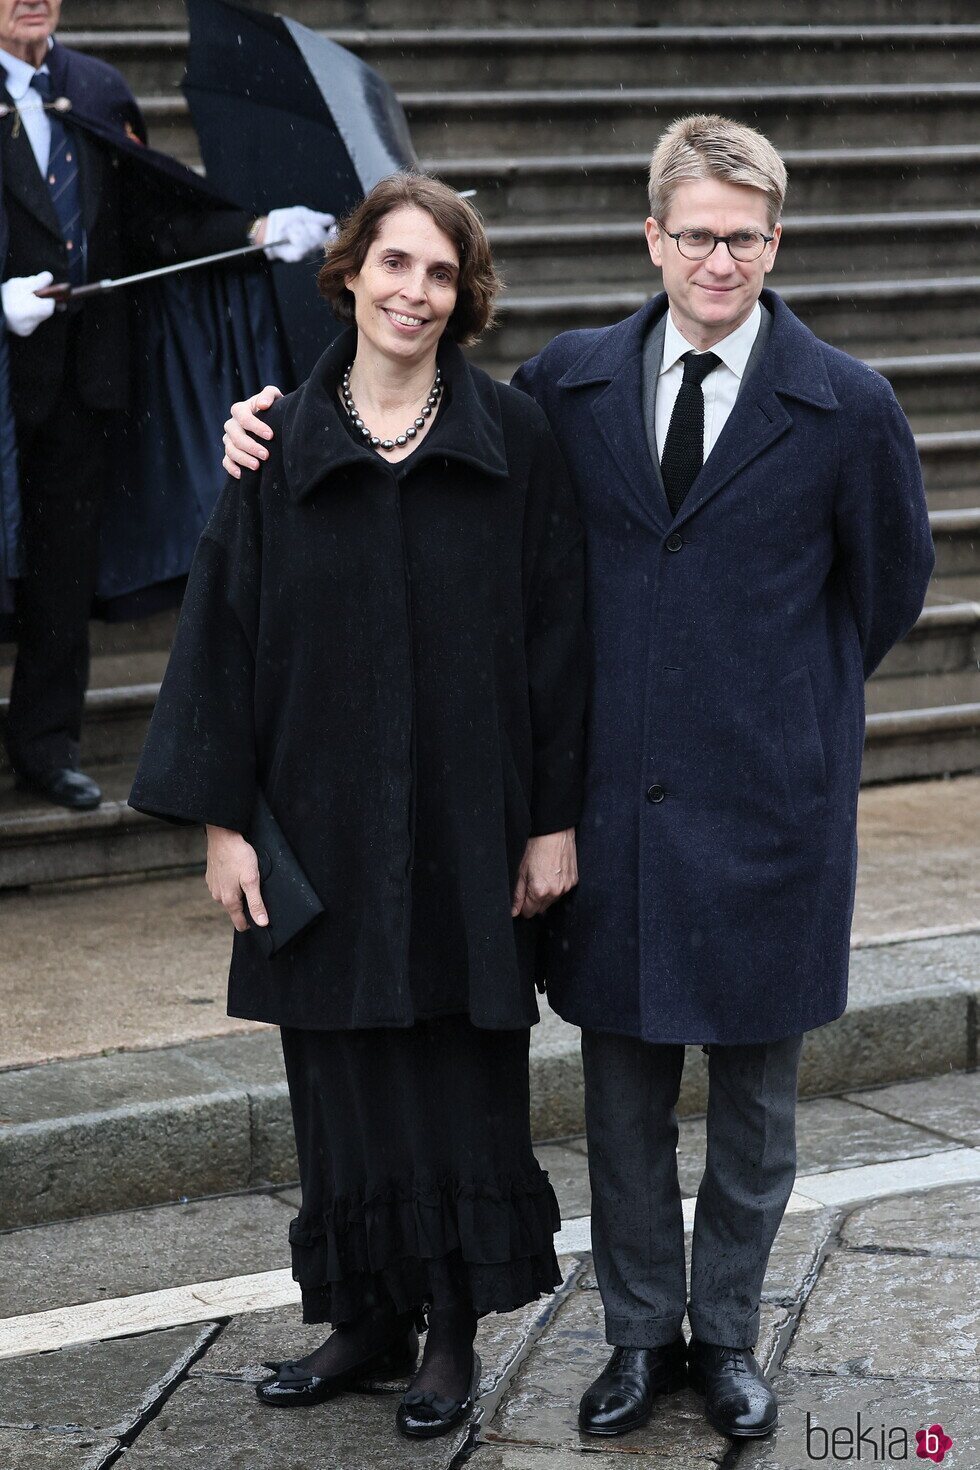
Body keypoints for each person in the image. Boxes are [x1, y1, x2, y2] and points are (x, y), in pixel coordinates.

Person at [222, 118, 935, 1443]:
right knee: (620, 1100)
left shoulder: (848, 406)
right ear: (652, 239)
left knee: (756, 1111)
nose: (718, 260)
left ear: (775, 244)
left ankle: (725, 1337)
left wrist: (780, 708)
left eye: (744, 236)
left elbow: (886, 587)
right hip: (613, 812)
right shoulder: (573, 383)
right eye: (695, 233)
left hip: (772, 814)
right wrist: (268, 423)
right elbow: (434, 440)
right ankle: (635, 1335)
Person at [130, 171, 588, 1441]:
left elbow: (558, 635)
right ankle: (366, 1318)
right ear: (347, 274)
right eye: (394, 264)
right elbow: (222, 633)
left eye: (440, 273)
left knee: (455, 1069)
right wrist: (223, 824)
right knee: (334, 1071)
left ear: (465, 295)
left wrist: (551, 819)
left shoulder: (514, 441)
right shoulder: (275, 445)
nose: (414, 292)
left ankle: (447, 1326)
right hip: (315, 816)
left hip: (464, 819)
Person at [0, 0, 334, 810]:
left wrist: (255, 230)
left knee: (60, 573)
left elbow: (154, 221)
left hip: (80, 382)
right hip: (4, 384)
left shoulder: (96, 88)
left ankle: (47, 747)